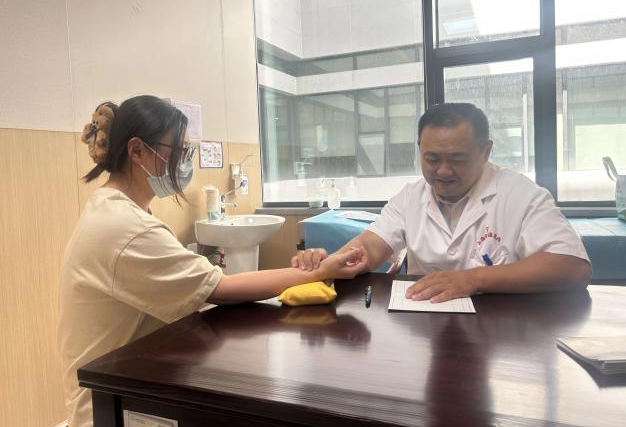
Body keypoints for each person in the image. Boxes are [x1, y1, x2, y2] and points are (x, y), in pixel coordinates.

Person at [57, 95, 364, 427]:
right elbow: (221, 288)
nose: (183, 164)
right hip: (109, 407)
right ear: (137, 151)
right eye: (178, 151)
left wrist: (309, 270)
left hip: (125, 384)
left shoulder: (115, 210)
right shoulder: (124, 226)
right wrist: (319, 271)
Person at [292, 103, 591, 302]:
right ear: (419, 149)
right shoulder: (410, 197)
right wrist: (331, 262)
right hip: (425, 323)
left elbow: (572, 266)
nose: (443, 171)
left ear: (486, 152)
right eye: (432, 159)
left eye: (458, 159)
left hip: (502, 332)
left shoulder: (520, 194)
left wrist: (473, 279)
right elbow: (370, 246)